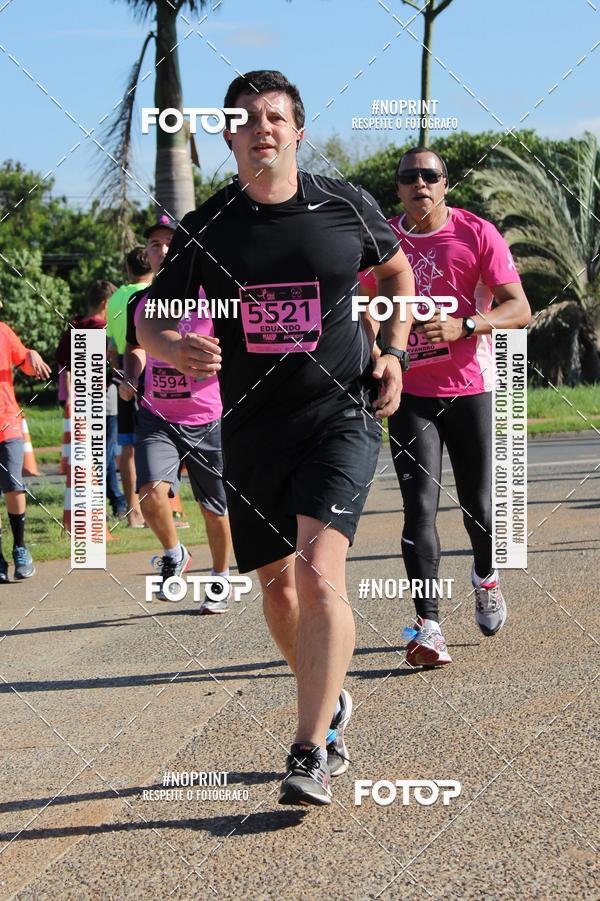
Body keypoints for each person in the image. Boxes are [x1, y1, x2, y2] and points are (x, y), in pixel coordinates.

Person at [137, 70, 415, 806]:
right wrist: (173, 347)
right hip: (253, 427)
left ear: (297, 130)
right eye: (247, 118)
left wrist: (393, 350)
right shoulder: (207, 226)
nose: (263, 127)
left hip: (342, 414)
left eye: (276, 116)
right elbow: (147, 319)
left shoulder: (343, 204)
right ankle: (329, 700)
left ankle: (309, 746)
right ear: (228, 135)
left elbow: (396, 272)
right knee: (279, 588)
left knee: (322, 569)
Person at [361, 147, 531, 667]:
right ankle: (429, 624)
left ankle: (485, 576)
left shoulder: (477, 233)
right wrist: (377, 351)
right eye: (408, 177)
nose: (419, 184)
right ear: (398, 189)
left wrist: (469, 325)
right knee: (419, 508)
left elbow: (519, 308)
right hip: (410, 392)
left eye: (429, 175)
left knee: (477, 507)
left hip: (469, 387)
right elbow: (364, 304)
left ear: (445, 184)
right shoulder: (383, 240)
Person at [120, 216, 232, 613]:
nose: (162, 250)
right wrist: (132, 376)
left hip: (208, 416)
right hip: (157, 414)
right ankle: (174, 551)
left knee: (214, 509)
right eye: (154, 244)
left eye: (171, 243)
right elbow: (134, 348)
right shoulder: (140, 301)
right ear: (146, 253)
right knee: (149, 491)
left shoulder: (213, 297)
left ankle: (219, 577)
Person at [56, 279, 126, 519]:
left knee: (94, 452)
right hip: (104, 398)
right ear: (106, 303)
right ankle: (105, 502)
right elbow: (109, 366)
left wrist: (71, 396)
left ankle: (116, 501)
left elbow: (64, 363)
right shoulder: (103, 329)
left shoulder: (75, 325)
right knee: (104, 453)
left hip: (81, 399)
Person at [0, 316, 51, 581]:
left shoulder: (4, 332)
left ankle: (20, 547)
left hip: (7, 422)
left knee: (13, 485)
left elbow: (24, 361)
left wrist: (32, 355)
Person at [106, 247, 152, 527]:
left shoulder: (116, 298)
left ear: (127, 269)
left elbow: (112, 346)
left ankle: (133, 512)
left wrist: (120, 375)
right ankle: (158, 509)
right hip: (154, 370)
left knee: (127, 446)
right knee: (158, 443)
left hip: (124, 371)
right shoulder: (160, 292)